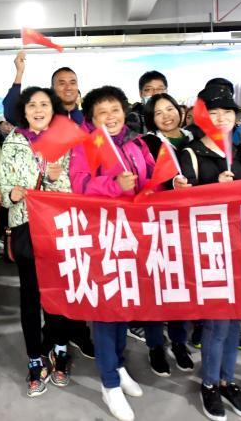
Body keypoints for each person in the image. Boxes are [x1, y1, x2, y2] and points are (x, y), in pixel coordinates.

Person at [70, 85, 186, 421]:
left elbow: (152, 180)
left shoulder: (138, 143)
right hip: (103, 236)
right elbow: (78, 185)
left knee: (123, 306)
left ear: (125, 112)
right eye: (102, 112)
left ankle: (118, 366)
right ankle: (109, 383)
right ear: (92, 119)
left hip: (135, 236)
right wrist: (112, 186)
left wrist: (171, 185)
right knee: (106, 310)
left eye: (115, 110)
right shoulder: (86, 146)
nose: (110, 117)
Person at [178, 85, 241, 421]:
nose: (222, 118)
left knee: (235, 317)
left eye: (228, 112)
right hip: (208, 246)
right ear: (202, 117)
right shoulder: (190, 153)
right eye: (214, 112)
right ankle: (210, 383)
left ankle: (228, 380)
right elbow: (180, 203)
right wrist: (215, 190)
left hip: (240, 244)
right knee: (216, 321)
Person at [0, 87, 74, 397]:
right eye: (32, 105)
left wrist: (56, 179)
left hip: (56, 226)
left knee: (58, 292)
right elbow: (2, 186)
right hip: (24, 226)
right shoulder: (13, 141)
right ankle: (34, 358)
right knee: (29, 295)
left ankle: (59, 348)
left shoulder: (64, 141)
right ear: (24, 111)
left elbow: (73, 188)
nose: (38, 110)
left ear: (53, 110)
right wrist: (11, 195)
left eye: (44, 104)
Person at [136, 93, 193, 375]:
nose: (166, 116)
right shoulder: (147, 144)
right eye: (158, 113)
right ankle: (155, 345)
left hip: (189, 225)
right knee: (155, 287)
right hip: (158, 223)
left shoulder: (195, 139)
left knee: (181, 287)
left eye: (170, 109)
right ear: (151, 119)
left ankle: (179, 342)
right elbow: (145, 181)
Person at [3, 52, 84, 126]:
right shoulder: (42, 116)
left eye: (72, 83)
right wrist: (19, 72)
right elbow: (11, 114)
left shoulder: (85, 118)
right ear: (52, 89)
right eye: (62, 83)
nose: (68, 87)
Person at [126, 71, 168, 135]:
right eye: (148, 89)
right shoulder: (134, 119)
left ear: (166, 92)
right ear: (141, 93)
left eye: (160, 89)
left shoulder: (174, 114)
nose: (155, 93)